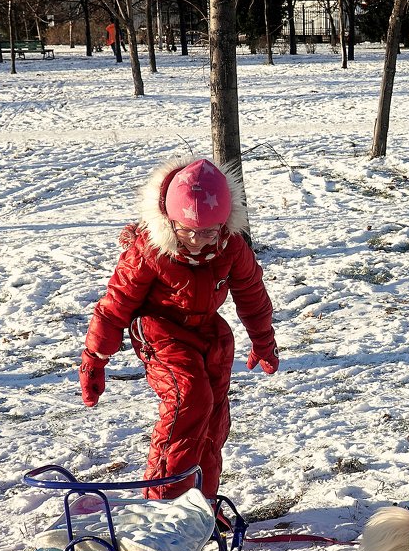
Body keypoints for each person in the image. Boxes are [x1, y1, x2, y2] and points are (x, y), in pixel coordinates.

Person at [78, 157, 279, 502]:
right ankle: (165, 500)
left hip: (208, 333)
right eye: (188, 231)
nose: (199, 241)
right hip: (159, 331)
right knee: (190, 398)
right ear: (170, 222)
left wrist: (263, 340)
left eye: (209, 232)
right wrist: (95, 358)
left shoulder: (230, 247)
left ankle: (201, 504)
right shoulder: (149, 250)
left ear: (224, 224)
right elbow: (115, 305)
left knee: (214, 418)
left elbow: (252, 293)